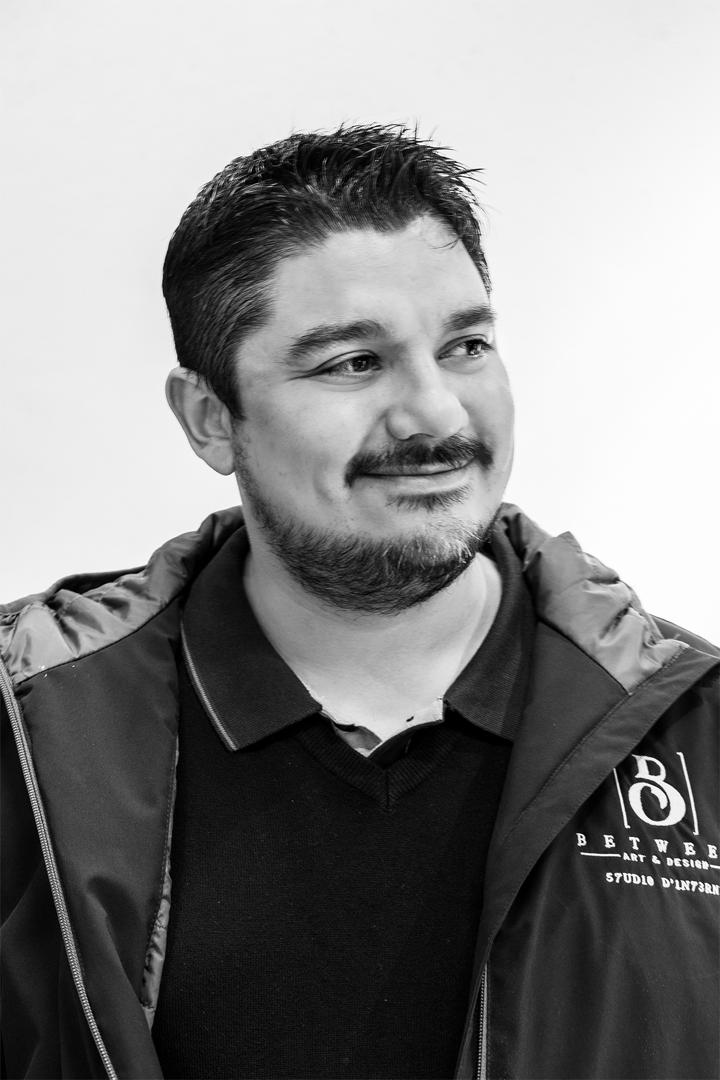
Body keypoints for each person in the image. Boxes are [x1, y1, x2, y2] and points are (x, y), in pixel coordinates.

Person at [1, 124, 718, 1080]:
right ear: (210, 418)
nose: (437, 414)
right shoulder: (31, 729)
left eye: (466, 346)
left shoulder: (693, 726)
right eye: (352, 362)